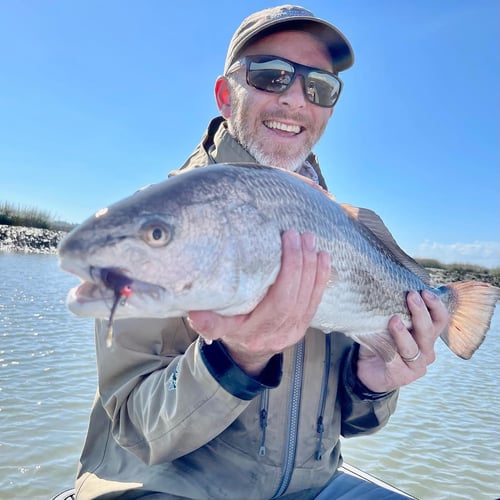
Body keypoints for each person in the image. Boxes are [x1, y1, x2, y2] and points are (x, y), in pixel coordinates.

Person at [74, 5, 449, 499]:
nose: (295, 98)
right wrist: (236, 359)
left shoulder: (336, 224)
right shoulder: (168, 225)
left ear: (329, 110)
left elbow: (354, 423)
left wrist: (375, 382)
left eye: (319, 87)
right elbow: (136, 428)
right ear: (227, 95)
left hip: (312, 487)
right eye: (271, 76)